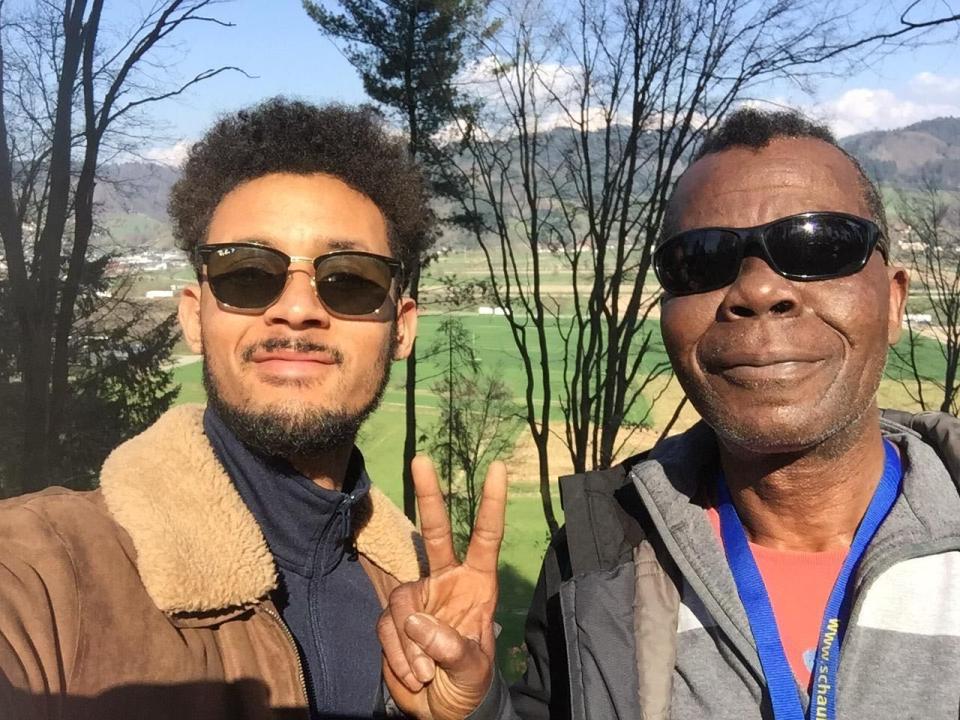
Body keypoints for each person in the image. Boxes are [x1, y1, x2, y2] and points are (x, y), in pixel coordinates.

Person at [377, 107, 960, 720]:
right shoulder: (600, 555)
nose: (759, 291)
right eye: (703, 259)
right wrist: (471, 712)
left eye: (817, 245)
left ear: (895, 300)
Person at [0, 98, 435, 719]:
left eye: (350, 279)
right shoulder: (48, 573)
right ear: (193, 317)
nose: (296, 308)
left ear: (402, 328)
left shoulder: (414, 588)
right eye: (247, 273)